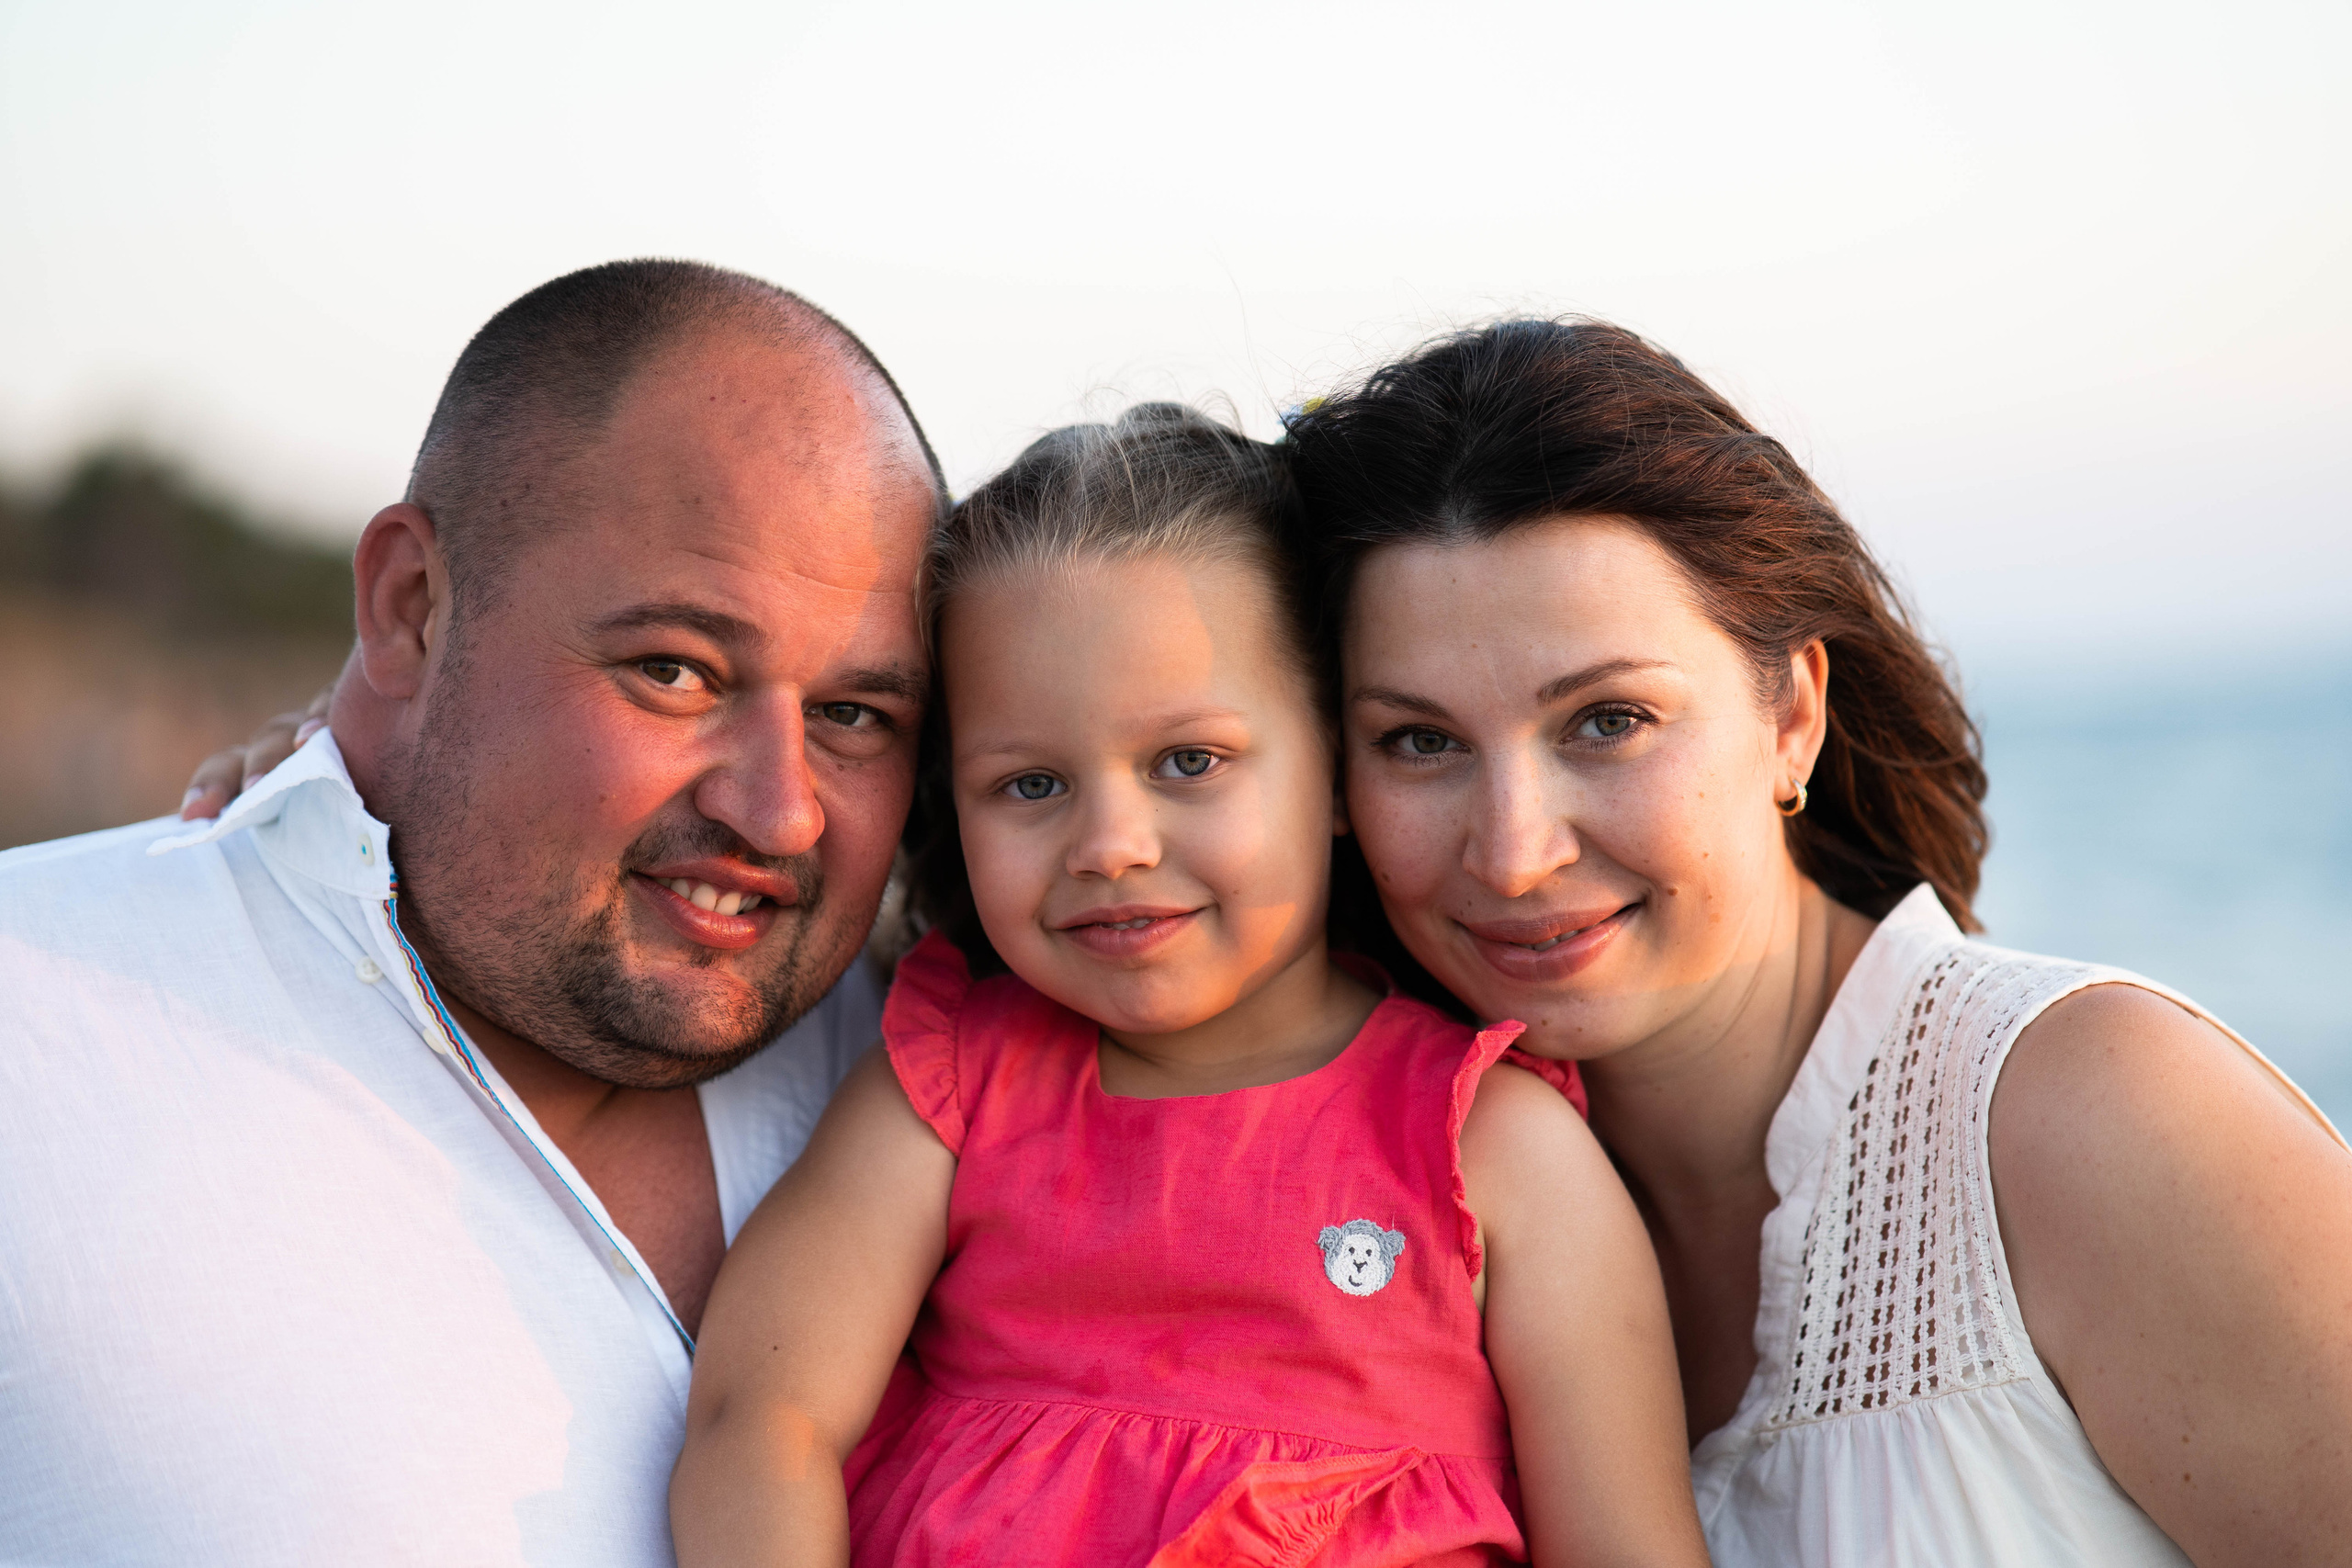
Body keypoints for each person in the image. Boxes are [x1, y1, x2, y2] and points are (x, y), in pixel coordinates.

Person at [1280, 318, 2352, 1565]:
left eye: (1608, 720)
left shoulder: (2086, 1108)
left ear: (1791, 717)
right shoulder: (1367, 1211)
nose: (1514, 851)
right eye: (1419, 741)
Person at [0, 259, 942, 1565]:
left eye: (853, 713)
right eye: (674, 670)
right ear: (411, 609)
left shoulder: (976, 1076)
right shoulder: (33, 1027)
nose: (782, 814)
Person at [668, 406, 1710, 1566]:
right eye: (1029, 784)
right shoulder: (950, 1093)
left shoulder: (1491, 1149)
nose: (1109, 845)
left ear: (1337, 772)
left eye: (1188, 762)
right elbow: (761, 1422)